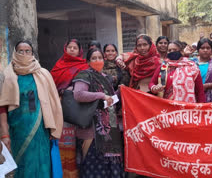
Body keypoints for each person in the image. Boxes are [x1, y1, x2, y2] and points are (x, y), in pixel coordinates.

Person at [0, 40, 63, 177]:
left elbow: (53, 102)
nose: (24, 54)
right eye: (21, 51)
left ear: (32, 53)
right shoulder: (8, 76)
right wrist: (5, 135)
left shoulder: (43, 74)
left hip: (41, 130)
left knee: (42, 164)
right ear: (15, 53)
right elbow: (3, 107)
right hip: (18, 132)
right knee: (23, 167)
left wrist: (55, 127)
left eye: (27, 51)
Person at [73, 48, 124, 178]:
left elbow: (111, 101)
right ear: (88, 61)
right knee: (93, 168)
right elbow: (78, 95)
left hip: (110, 129)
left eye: (100, 58)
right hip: (92, 130)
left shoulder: (105, 78)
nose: (97, 61)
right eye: (94, 58)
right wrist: (101, 95)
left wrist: (120, 92)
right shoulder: (84, 75)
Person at [51, 39, 89, 178]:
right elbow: (51, 85)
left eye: (75, 48)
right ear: (65, 49)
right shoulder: (58, 65)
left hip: (78, 110)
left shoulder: (84, 66)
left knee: (77, 144)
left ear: (80, 51)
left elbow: (86, 85)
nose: (72, 50)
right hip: (60, 109)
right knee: (63, 143)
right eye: (69, 47)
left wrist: (71, 89)